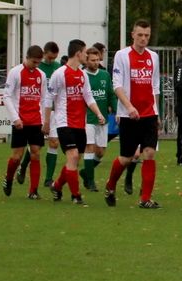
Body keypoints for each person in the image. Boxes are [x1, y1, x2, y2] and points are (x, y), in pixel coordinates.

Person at [106, 20, 162, 209]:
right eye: (140, 35)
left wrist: (157, 111)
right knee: (126, 158)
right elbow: (117, 85)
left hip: (149, 114)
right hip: (129, 115)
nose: (143, 38)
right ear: (133, 34)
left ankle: (145, 198)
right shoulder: (122, 56)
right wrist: (129, 107)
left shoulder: (153, 57)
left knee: (150, 153)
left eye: (147, 35)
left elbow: (155, 85)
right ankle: (110, 186)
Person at [43, 40, 106, 205]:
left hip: (80, 123)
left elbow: (88, 97)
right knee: (73, 156)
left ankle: (57, 186)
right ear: (78, 53)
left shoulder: (83, 74)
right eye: (85, 52)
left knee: (74, 161)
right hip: (64, 123)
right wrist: (47, 122)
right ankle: (76, 195)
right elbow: (49, 99)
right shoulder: (59, 74)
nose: (87, 55)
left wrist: (98, 113)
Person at [2, 45, 47, 199]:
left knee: (36, 153)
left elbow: (43, 99)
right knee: (17, 156)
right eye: (34, 62)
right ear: (26, 58)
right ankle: (8, 179)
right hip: (20, 121)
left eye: (38, 62)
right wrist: (15, 118)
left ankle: (33, 191)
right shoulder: (15, 73)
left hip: (35, 121)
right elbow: (6, 96)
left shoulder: (41, 75)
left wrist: (44, 120)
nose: (36, 65)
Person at [17, 41, 61, 186]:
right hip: (40, 112)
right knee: (36, 146)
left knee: (54, 143)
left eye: (54, 58)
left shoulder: (58, 67)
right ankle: (23, 166)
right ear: (44, 53)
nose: (51, 60)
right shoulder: (37, 67)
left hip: (55, 110)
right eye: (49, 57)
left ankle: (48, 179)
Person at [82, 46, 114, 192]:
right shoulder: (82, 76)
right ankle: (91, 181)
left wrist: (116, 109)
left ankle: (85, 172)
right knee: (89, 147)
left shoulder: (105, 75)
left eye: (97, 60)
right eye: (92, 60)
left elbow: (110, 94)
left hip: (103, 118)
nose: (95, 63)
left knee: (101, 152)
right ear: (86, 60)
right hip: (87, 118)